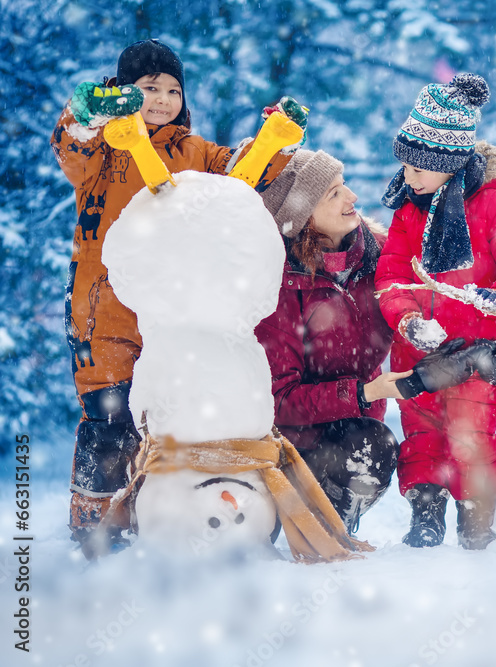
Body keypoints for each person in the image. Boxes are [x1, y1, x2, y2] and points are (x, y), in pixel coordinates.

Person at [51, 38, 300, 555]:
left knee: (168, 415)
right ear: (124, 92)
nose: (162, 99)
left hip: (172, 309)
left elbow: (240, 176)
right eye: (148, 89)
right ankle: (93, 521)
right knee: (109, 414)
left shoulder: (194, 151)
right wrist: (87, 112)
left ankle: (153, 515)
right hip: (104, 307)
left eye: (171, 89)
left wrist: (275, 142)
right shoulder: (103, 150)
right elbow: (70, 146)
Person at [375, 73, 496, 549]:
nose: (408, 178)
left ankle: (477, 523)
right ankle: (425, 515)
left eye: (418, 169)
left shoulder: (494, 208)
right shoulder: (408, 212)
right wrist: (407, 319)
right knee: (421, 435)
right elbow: (390, 275)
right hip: (418, 354)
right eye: (405, 167)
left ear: (448, 163)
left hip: (474, 355)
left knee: (473, 439)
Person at [254, 149, 411, 535]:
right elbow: (278, 400)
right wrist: (362, 392)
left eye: (345, 187)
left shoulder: (381, 254)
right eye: (333, 194)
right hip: (287, 446)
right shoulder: (280, 285)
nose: (352, 198)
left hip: (354, 434)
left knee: (373, 444)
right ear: (303, 217)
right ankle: (288, 509)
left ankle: (333, 524)